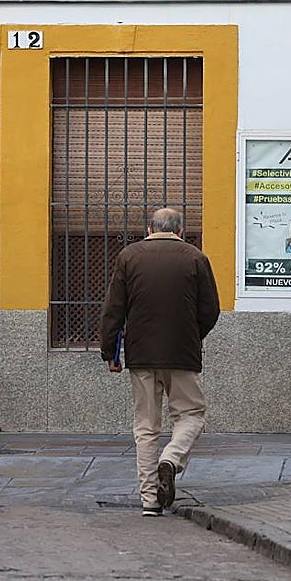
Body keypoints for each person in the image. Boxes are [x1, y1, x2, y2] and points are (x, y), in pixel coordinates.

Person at [100, 207, 220, 517]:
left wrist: (110, 351)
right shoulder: (196, 258)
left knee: (146, 426)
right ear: (180, 231)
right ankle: (172, 458)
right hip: (182, 352)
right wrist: (193, 335)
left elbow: (114, 308)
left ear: (150, 229)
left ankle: (150, 500)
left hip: (141, 354)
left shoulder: (129, 256)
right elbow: (210, 310)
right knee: (192, 413)